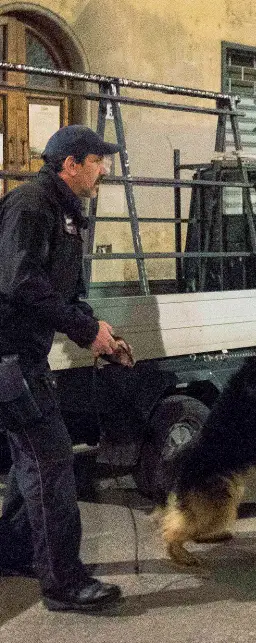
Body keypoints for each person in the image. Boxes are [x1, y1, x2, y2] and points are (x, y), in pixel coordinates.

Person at [0, 125, 126, 611]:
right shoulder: (32, 206)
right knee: (50, 463)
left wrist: (96, 328)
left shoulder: (62, 212)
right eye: (97, 161)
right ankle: (64, 583)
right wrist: (81, 329)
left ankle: (13, 551)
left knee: (31, 459)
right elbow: (21, 284)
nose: (104, 170)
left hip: (21, 357)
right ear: (70, 164)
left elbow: (61, 290)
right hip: (8, 358)